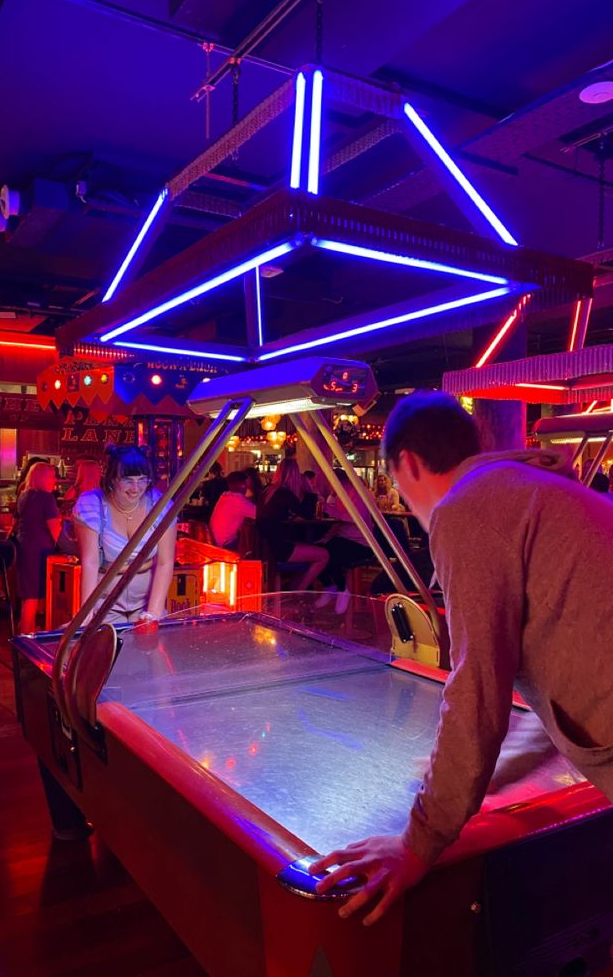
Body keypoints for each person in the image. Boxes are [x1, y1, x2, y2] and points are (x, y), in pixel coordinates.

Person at [311, 391, 613, 924]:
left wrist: (418, 841)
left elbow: (478, 686)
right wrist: (479, 778)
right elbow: (553, 693)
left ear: (405, 464)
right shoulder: (524, 492)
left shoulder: (465, 510)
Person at [73, 445, 175, 624]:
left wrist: (153, 613)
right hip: (104, 603)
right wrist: (86, 616)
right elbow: (90, 562)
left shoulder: (160, 505)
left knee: (149, 650)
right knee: (107, 651)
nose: (136, 488)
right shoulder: (92, 504)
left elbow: (165, 562)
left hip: (146, 602)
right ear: (112, 478)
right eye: (128, 480)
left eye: (142, 479)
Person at [256, 458, 329, 590]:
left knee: (307, 548)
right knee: (323, 555)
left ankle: (292, 592)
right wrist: (312, 493)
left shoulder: (266, 491)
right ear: (295, 475)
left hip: (263, 546)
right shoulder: (285, 493)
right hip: (278, 549)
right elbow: (307, 514)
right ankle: (297, 593)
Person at [315, 469, 374, 613]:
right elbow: (338, 522)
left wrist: (329, 510)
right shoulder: (342, 495)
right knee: (317, 551)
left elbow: (354, 518)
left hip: (361, 543)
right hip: (344, 539)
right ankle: (331, 587)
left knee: (329, 553)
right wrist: (326, 537)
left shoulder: (359, 494)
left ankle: (342, 589)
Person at [16, 462, 61, 633]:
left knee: (28, 593)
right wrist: (68, 547)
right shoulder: (46, 498)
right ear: (44, 478)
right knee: (34, 594)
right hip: (40, 550)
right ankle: (26, 634)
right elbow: (55, 529)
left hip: (24, 547)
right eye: (52, 476)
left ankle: (26, 627)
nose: (55, 480)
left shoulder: (25, 495)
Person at [209, 470, 256, 550]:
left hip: (215, 541)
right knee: (251, 544)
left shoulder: (225, 496)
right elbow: (260, 513)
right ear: (242, 485)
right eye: (247, 483)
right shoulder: (238, 500)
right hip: (224, 545)